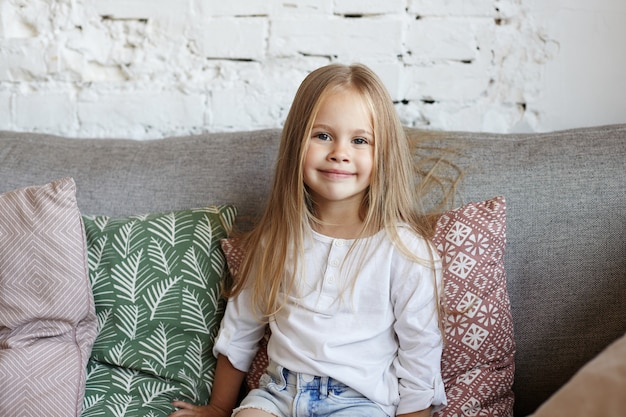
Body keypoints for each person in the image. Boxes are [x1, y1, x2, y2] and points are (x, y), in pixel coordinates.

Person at [169, 63, 447, 417]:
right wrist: (220, 408)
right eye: (323, 136)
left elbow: (420, 352)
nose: (339, 153)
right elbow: (240, 329)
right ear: (297, 140)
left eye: (360, 140)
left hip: (360, 402)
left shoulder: (404, 250)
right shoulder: (278, 239)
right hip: (277, 395)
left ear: (383, 154)